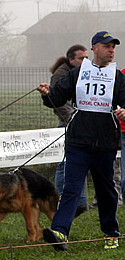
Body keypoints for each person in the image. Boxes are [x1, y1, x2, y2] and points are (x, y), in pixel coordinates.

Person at [38, 31, 125, 251]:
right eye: (107, 46)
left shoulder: (118, 77)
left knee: (106, 190)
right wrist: (47, 93)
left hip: (105, 144)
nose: (111, 50)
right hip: (78, 142)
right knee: (71, 188)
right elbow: (56, 98)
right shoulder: (78, 73)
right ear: (94, 48)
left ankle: (111, 233)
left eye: (113, 46)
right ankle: (59, 232)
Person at [48, 44, 89, 216]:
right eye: (81, 58)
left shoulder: (84, 73)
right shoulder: (61, 74)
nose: (85, 61)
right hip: (68, 124)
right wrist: (73, 118)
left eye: (87, 58)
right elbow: (57, 102)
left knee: (80, 162)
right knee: (64, 162)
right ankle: (62, 198)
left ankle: (80, 202)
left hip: (83, 124)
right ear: (71, 59)